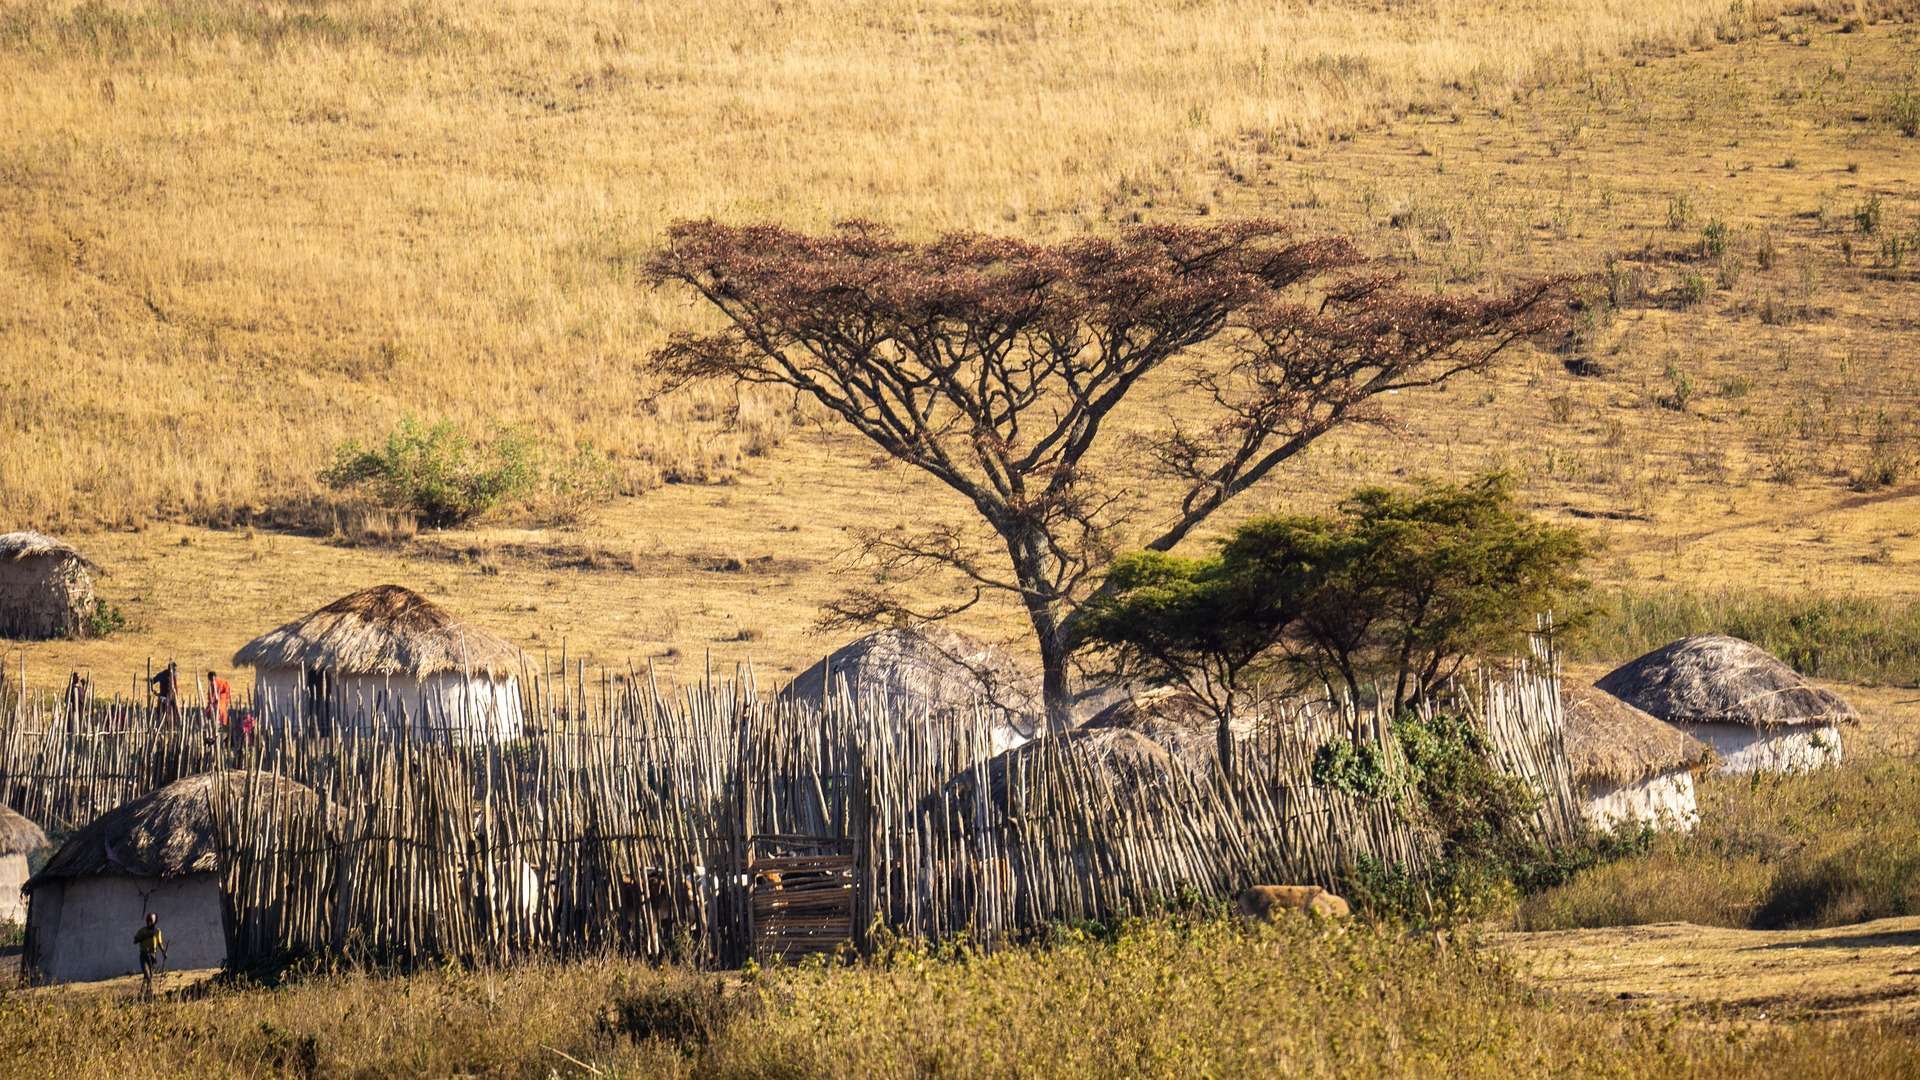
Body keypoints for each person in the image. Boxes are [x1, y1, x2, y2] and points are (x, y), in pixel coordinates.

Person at [134, 911, 166, 999]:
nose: (149, 923)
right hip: (144, 955)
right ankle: (148, 990)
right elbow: (135, 940)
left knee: (149, 975)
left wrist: (163, 952)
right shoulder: (142, 931)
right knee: (147, 974)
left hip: (152, 955)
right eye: (148, 921)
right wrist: (143, 937)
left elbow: (159, 943)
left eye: (151, 921)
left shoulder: (157, 931)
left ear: (155, 921)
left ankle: (145, 991)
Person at [207, 670, 235, 749]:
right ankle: (221, 741)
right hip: (222, 707)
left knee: (219, 724)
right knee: (222, 724)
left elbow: (212, 698)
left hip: (219, 708)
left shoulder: (216, 684)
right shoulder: (221, 683)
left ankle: (220, 742)